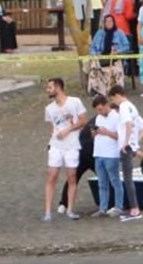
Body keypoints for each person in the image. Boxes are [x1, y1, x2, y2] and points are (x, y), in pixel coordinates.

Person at [43, 77, 87, 221]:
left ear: (58, 87)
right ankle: (48, 211)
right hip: (56, 144)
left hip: (72, 144)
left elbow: (83, 121)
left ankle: (70, 210)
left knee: (71, 176)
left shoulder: (75, 102)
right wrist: (55, 134)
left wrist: (68, 129)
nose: (47, 90)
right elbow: (53, 126)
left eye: (50, 87)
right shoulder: (49, 108)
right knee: (52, 175)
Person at [107, 85, 143, 221]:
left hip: (126, 146)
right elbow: (142, 126)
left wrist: (126, 142)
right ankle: (134, 208)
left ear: (118, 95)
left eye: (113, 99)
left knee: (128, 178)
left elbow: (128, 124)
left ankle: (135, 209)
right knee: (128, 177)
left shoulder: (123, 106)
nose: (114, 102)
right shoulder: (131, 106)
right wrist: (135, 141)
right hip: (131, 144)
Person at [90, 95, 124, 217]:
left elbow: (120, 136)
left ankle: (119, 206)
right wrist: (94, 133)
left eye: (100, 109)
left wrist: (106, 132)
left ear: (106, 105)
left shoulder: (116, 117)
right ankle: (102, 208)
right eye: (97, 110)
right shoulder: (98, 118)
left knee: (115, 181)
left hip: (111, 154)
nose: (99, 112)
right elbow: (95, 136)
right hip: (98, 153)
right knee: (102, 183)